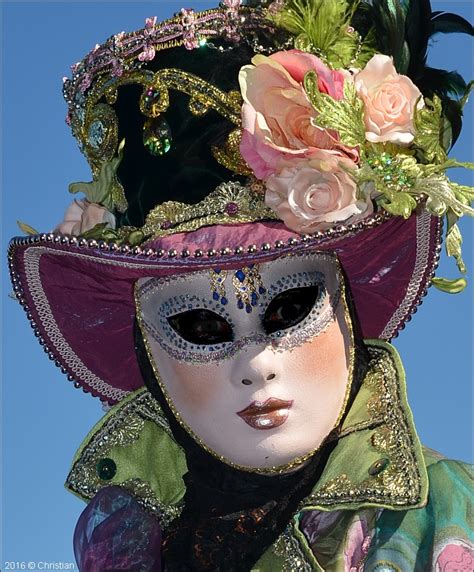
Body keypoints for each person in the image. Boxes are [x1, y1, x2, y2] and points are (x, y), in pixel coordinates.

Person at [8, 0, 473, 570]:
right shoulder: (128, 541)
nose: (256, 363)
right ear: (149, 355)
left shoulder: (445, 516)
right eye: (200, 325)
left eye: (290, 308)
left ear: (345, 310)